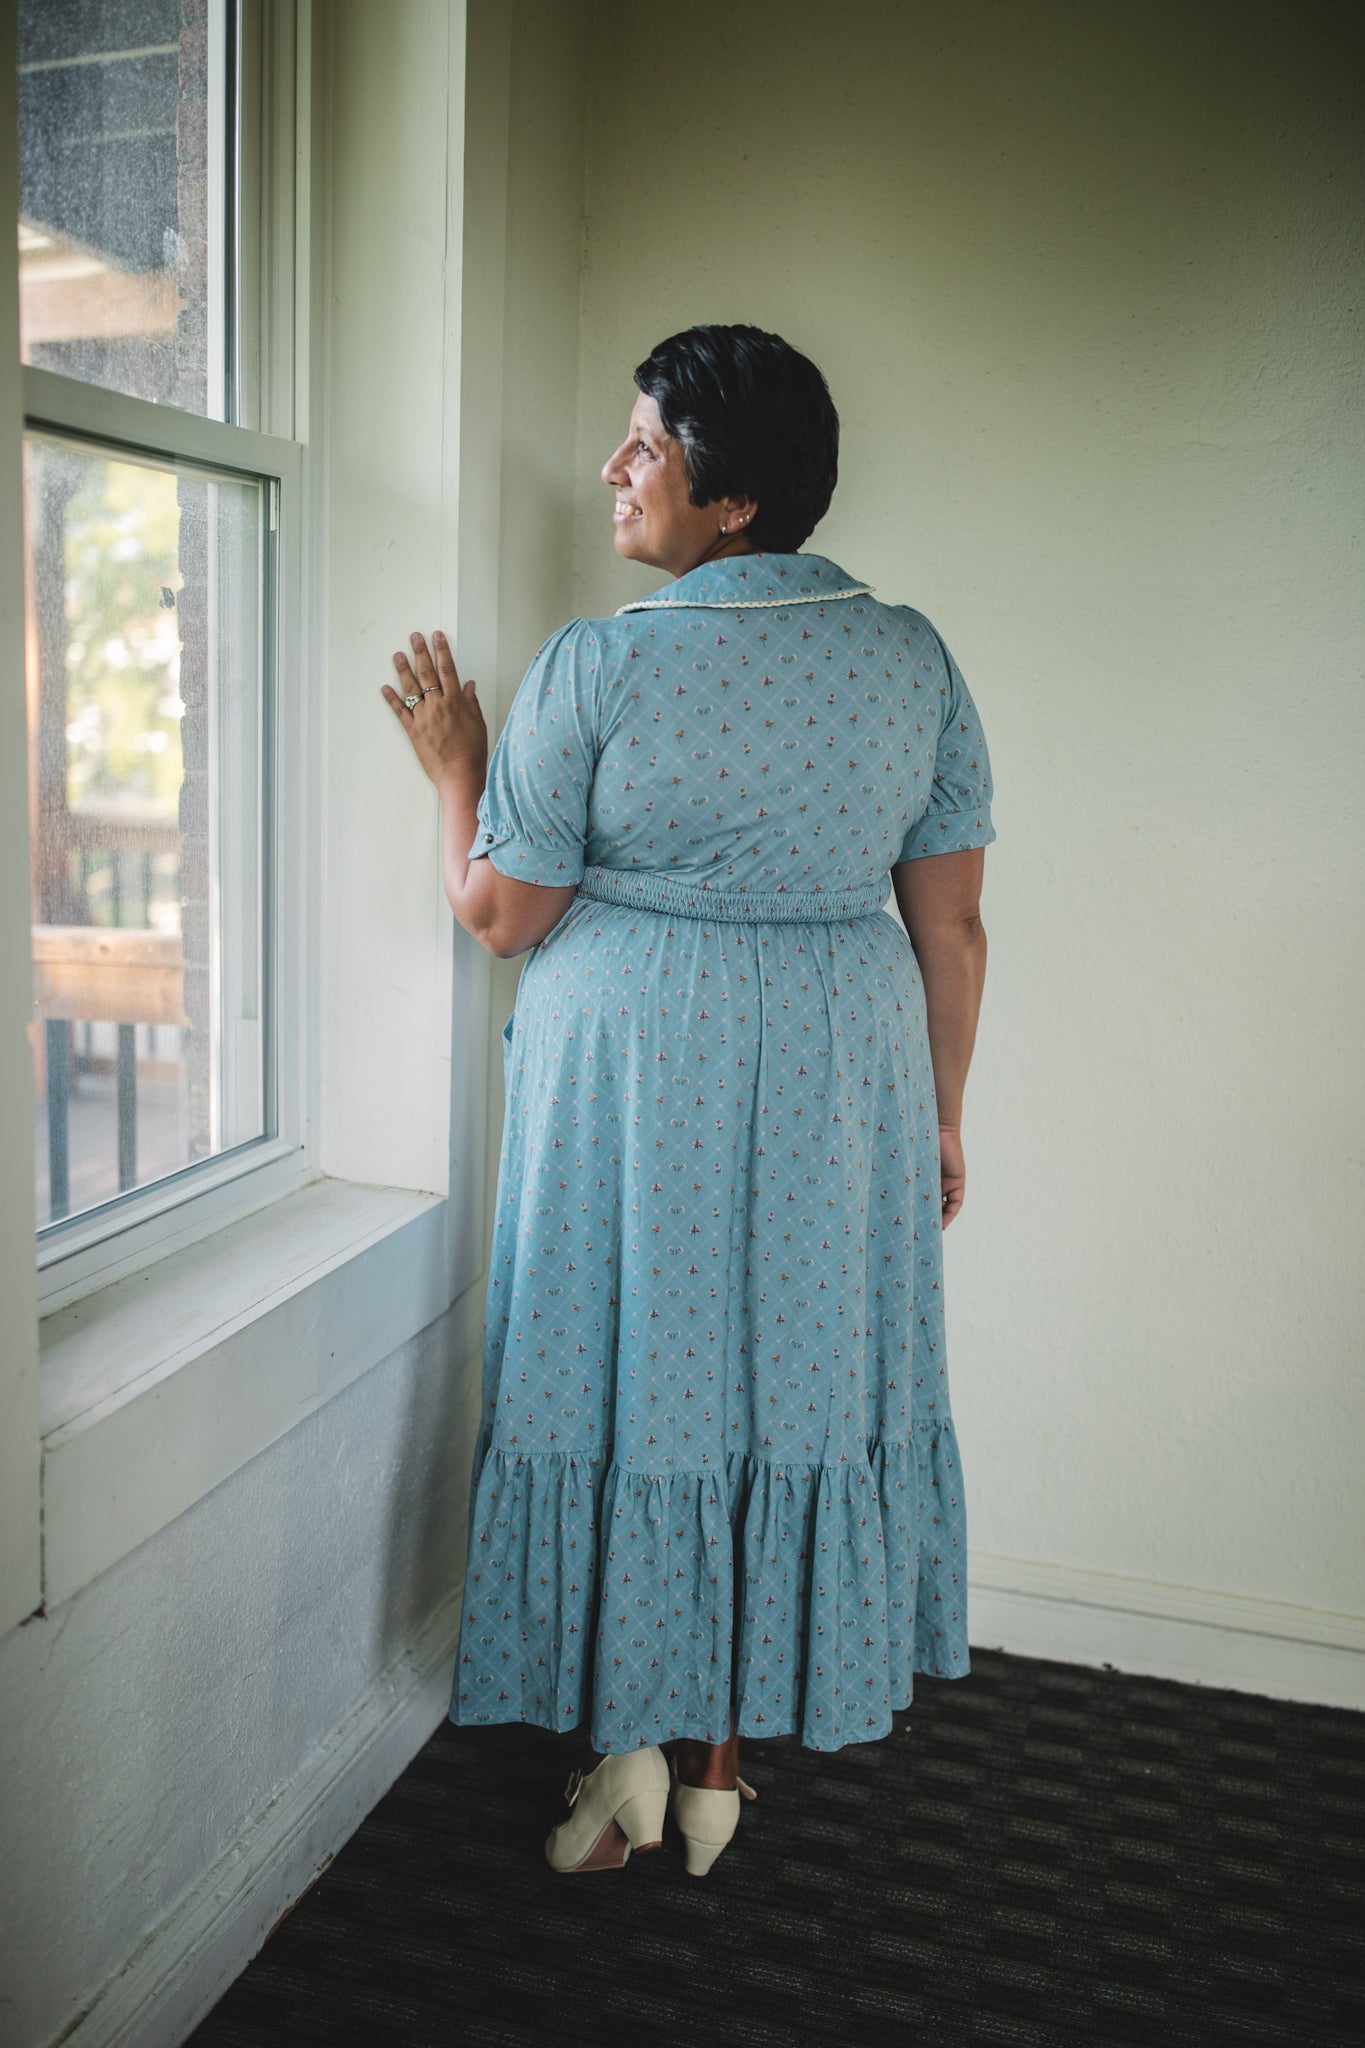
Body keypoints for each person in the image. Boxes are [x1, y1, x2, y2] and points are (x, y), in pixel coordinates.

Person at [381, 323, 993, 1877]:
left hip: (632, 1066)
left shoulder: (599, 663)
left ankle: (631, 1757)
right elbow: (952, 927)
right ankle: (715, 1767)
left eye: (644, 444)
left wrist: (454, 764)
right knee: (790, 1384)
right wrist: (937, 1116)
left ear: (732, 499)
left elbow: (501, 914)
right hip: (841, 1066)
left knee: (630, 1376)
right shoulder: (911, 656)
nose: (612, 466)